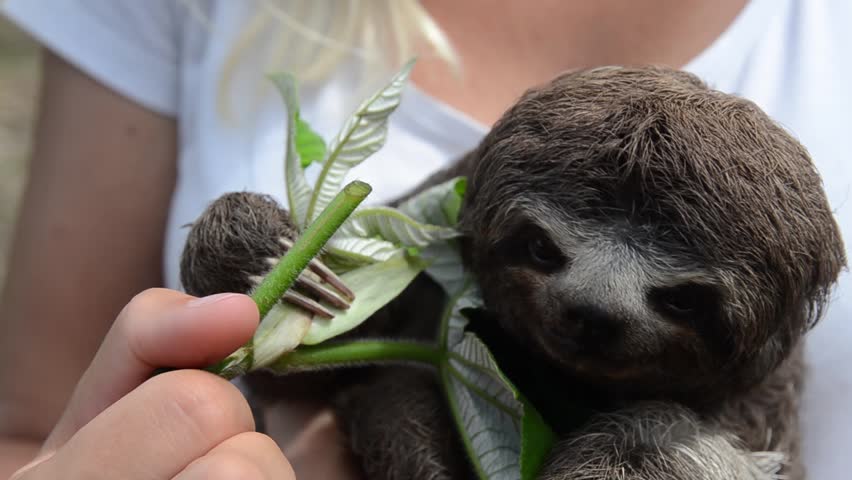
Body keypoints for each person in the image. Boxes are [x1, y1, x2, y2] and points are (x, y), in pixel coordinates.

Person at [1, 0, 850, 478]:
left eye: (679, 299)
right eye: (545, 252)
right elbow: (31, 425)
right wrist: (249, 262)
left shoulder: (745, 388)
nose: (594, 304)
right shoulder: (445, 227)